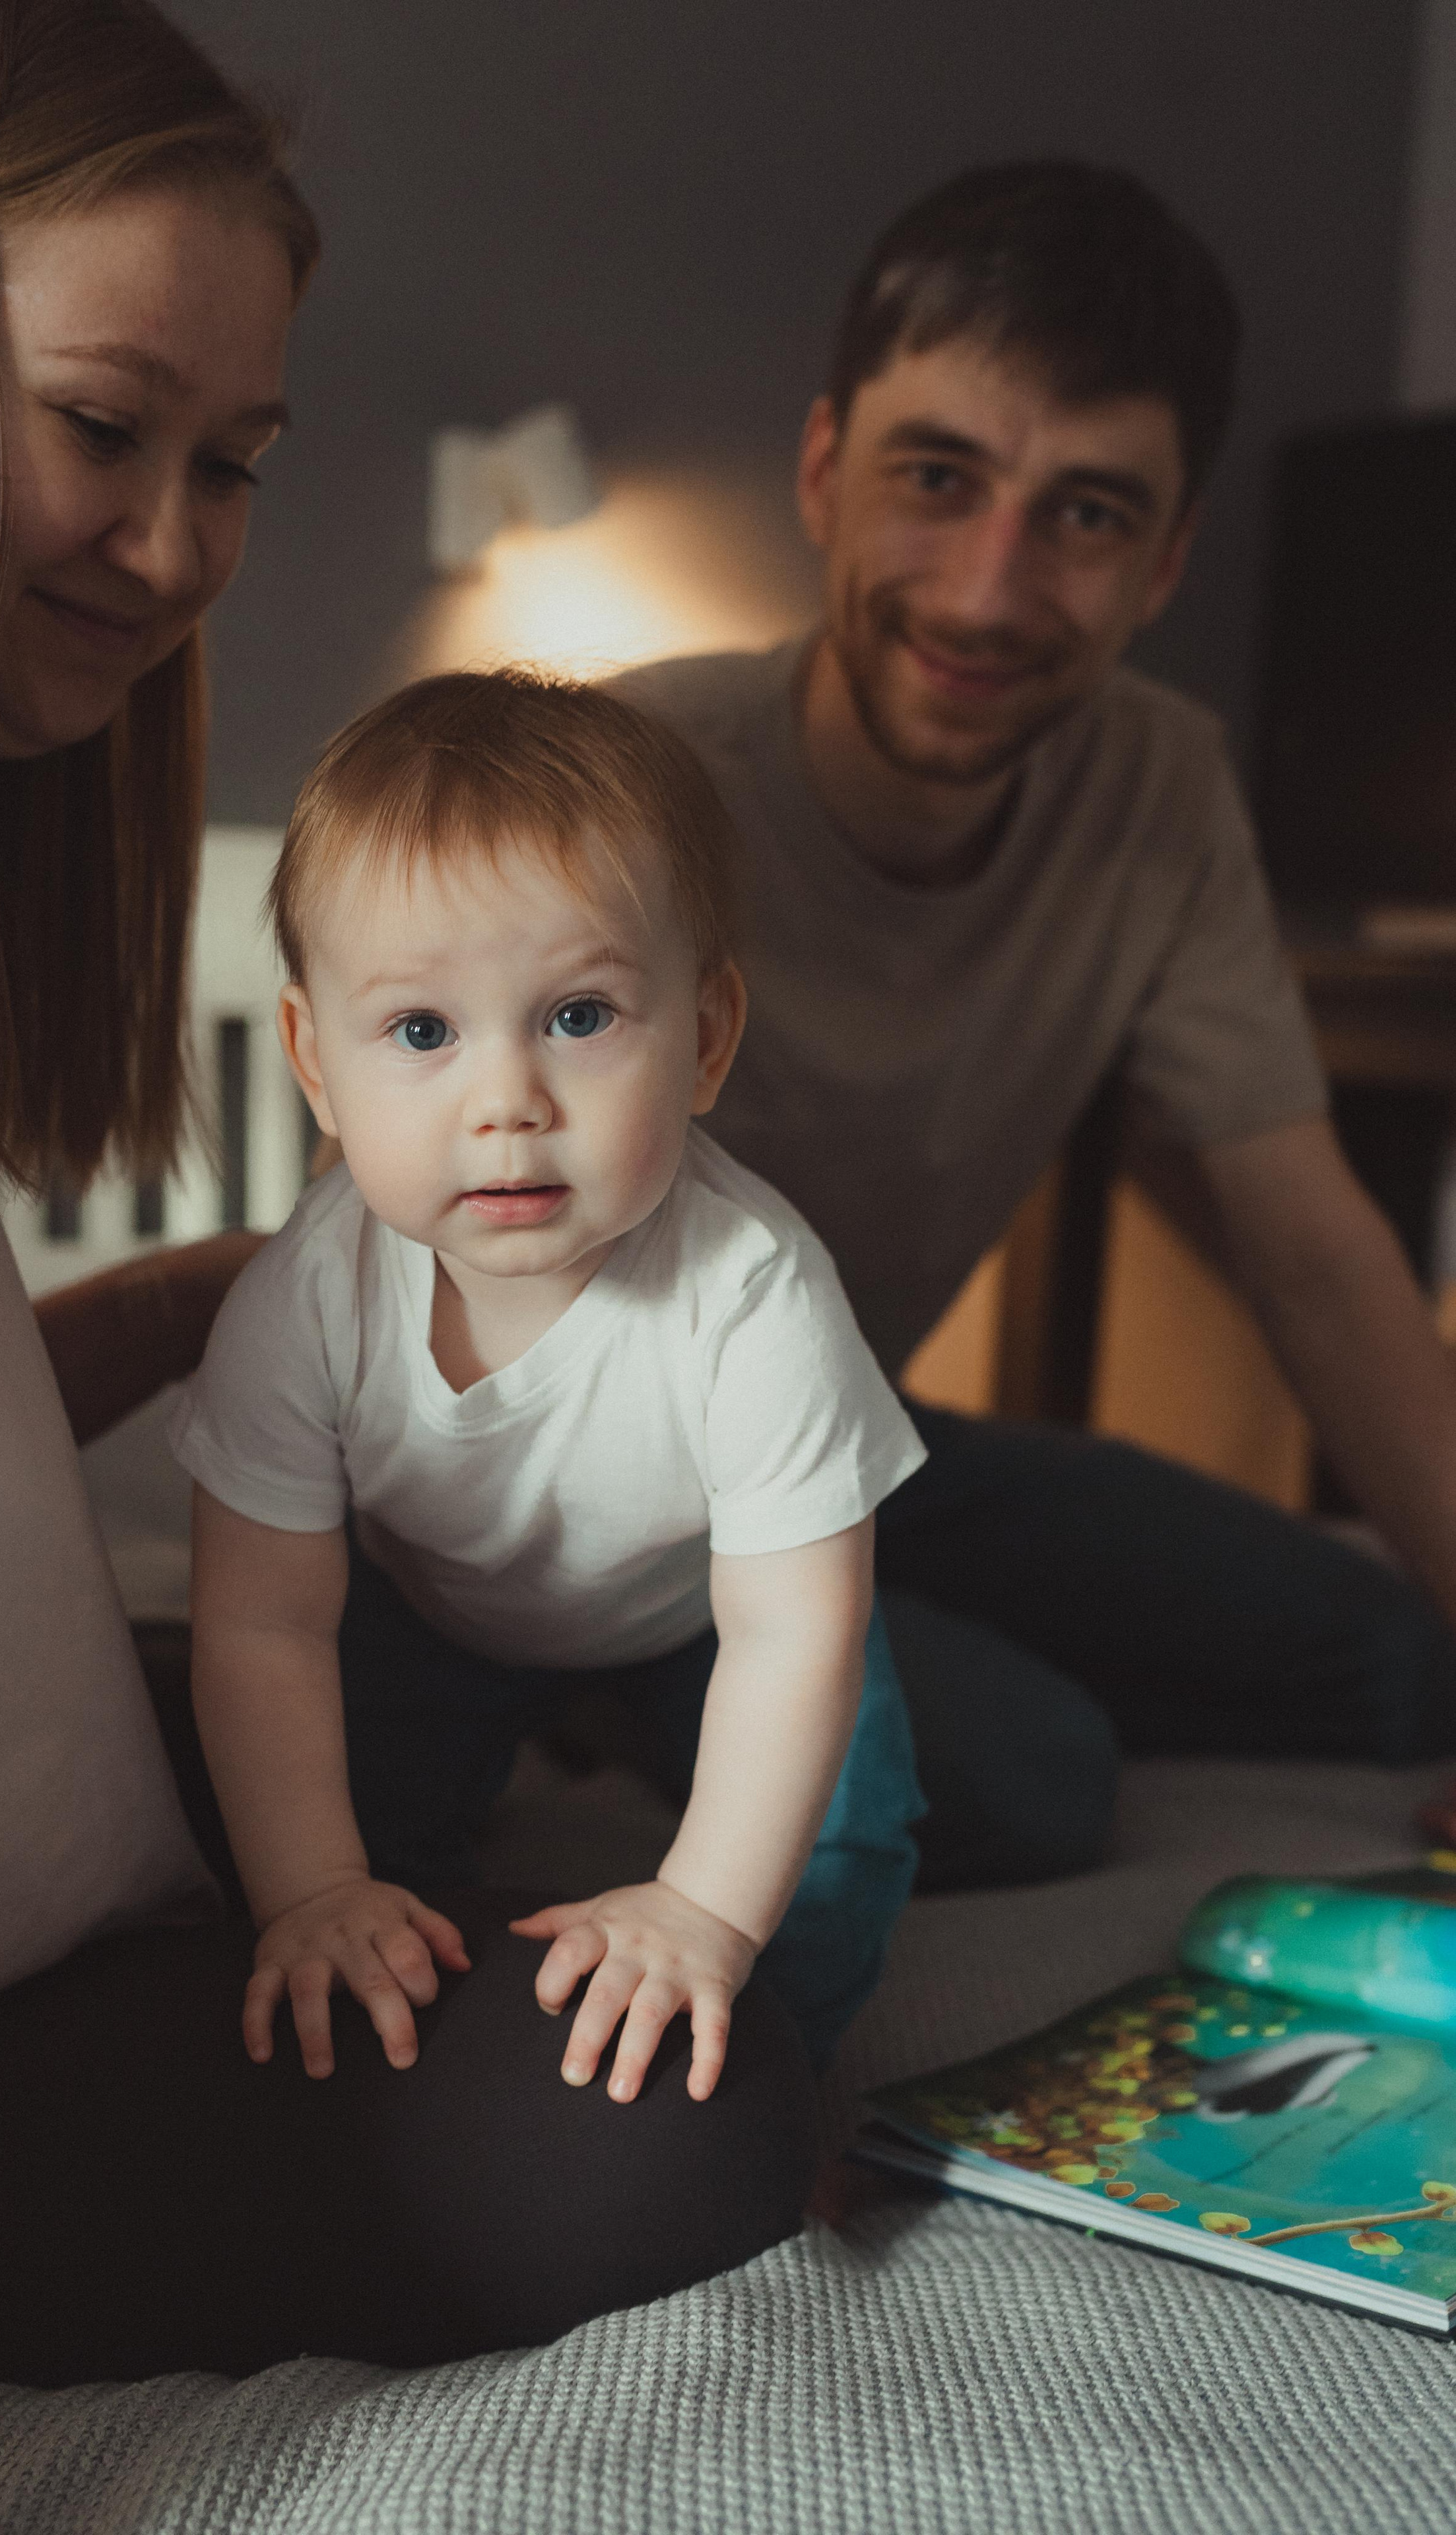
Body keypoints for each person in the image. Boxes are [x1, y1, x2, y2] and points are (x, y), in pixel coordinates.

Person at [0, 7, 815, 2524]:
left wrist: (154, 1320)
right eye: (99, 427)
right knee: (694, 2115)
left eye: (231, 463)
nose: (171, 550)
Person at [610, 161, 1456, 1891]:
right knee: (1032, 1777)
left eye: (1084, 513)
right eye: (938, 479)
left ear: (1167, 558)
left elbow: (1315, 1255)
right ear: (825, 472)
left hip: (860, 1448)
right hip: (592, 1505)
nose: (991, 593)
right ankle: (618, 1693)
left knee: (1403, 1665)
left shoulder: (1162, 787)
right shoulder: (619, 779)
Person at [170, 669, 928, 2097]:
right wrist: (314, 1888)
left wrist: (701, 1910)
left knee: (847, 1831)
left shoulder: (756, 1291)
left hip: (697, 1619)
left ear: (706, 1038)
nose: (506, 1101)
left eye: (579, 1016)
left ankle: (791, 2093)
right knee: (307, 1825)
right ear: (315, 1063)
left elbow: (789, 1638)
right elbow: (263, 1626)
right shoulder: (304, 1302)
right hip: (436, 1610)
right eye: (422, 1032)